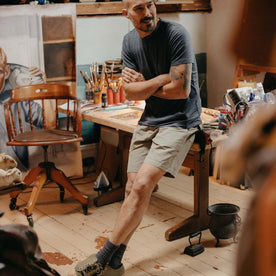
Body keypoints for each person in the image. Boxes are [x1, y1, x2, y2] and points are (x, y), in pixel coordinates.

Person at [75, 0, 202, 275]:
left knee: (143, 184)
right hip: (150, 120)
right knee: (132, 187)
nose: (147, 13)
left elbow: (181, 90)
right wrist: (158, 79)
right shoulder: (129, 41)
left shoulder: (176, 34)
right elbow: (130, 93)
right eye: (139, 9)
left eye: (150, 4)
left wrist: (144, 85)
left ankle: (103, 255)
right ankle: (117, 263)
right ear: (126, 14)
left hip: (180, 121)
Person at [0, 47, 44, 171]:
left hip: (14, 170)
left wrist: (45, 87)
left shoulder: (18, 100)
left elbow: (48, 122)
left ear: (7, 72)